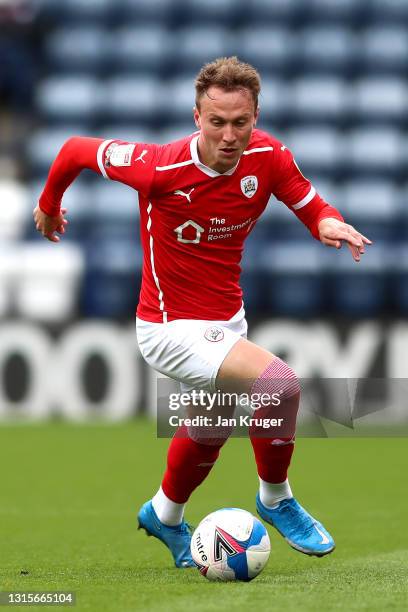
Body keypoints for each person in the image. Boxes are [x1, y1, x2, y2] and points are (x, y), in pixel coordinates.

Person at [34, 57, 372, 568]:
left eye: (241, 122)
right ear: (197, 117)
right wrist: (49, 204)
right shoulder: (159, 167)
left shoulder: (270, 156)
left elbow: (311, 204)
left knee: (210, 425)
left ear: (256, 116)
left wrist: (328, 223)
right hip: (170, 327)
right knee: (279, 385)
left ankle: (164, 515)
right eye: (217, 122)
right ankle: (276, 498)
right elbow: (74, 150)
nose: (230, 134)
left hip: (226, 321)